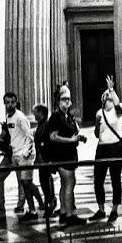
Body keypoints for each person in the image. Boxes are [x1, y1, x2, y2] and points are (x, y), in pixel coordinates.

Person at [0, 92, 43, 222]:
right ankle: (32, 209)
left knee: (26, 182)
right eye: (7, 102)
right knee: (23, 183)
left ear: (16, 103)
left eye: (12, 102)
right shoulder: (8, 117)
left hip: (24, 154)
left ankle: (41, 203)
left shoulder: (20, 118)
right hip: (16, 153)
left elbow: (30, 136)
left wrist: (26, 152)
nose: (10, 105)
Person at [44, 84, 87, 226]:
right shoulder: (56, 117)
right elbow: (53, 136)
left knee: (65, 184)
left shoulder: (68, 116)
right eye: (64, 99)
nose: (67, 101)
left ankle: (63, 212)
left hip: (69, 154)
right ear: (58, 101)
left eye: (68, 99)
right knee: (69, 184)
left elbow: (69, 133)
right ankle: (69, 215)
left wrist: (77, 138)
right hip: (62, 155)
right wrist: (71, 140)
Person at [92, 76, 122, 222]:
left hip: (115, 147)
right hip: (101, 147)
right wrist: (97, 123)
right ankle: (101, 209)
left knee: (115, 179)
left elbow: (118, 102)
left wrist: (111, 89)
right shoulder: (99, 113)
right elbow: (97, 134)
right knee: (98, 180)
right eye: (106, 97)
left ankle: (114, 209)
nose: (109, 100)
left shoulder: (118, 111)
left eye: (110, 98)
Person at [33, 104, 56, 216]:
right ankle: (50, 202)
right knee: (45, 181)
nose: (34, 114)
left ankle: (50, 203)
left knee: (46, 181)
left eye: (35, 112)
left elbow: (44, 142)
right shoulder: (42, 125)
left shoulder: (45, 125)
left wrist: (41, 155)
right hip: (42, 157)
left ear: (41, 113)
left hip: (45, 157)